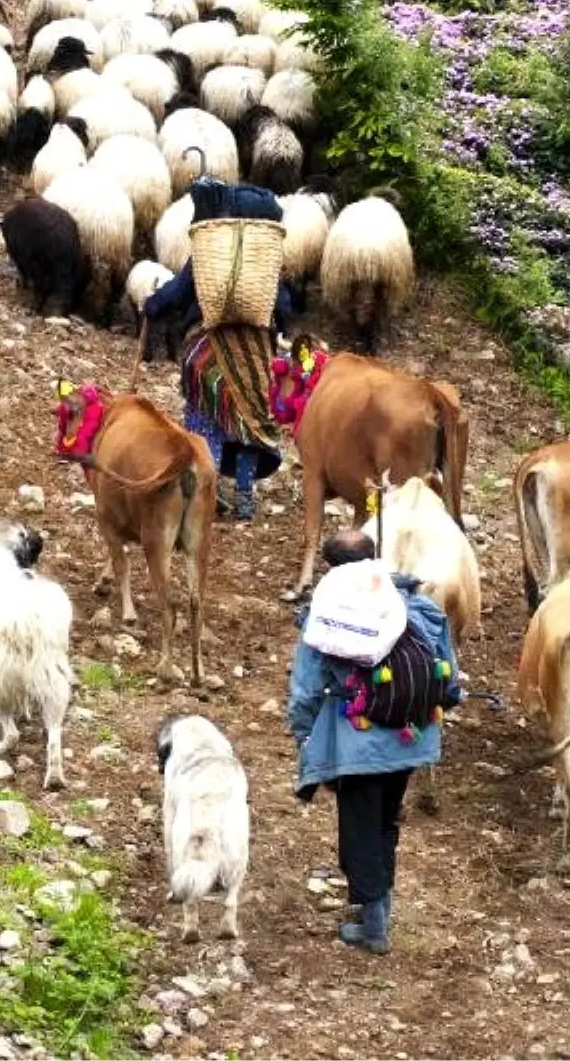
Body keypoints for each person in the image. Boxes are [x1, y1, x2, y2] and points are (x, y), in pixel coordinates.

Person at [287, 529, 461, 956]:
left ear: (330, 568)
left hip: (356, 740)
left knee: (360, 827)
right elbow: (450, 682)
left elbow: (307, 689)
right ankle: (380, 905)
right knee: (385, 820)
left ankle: (374, 925)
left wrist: (302, 734)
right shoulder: (417, 606)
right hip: (410, 736)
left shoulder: (328, 614)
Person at [142, 188, 293, 522]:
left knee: (205, 420)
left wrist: (151, 305)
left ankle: (201, 490)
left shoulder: (208, 253)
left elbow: (176, 294)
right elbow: (283, 307)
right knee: (247, 422)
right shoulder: (265, 260)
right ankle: (243, 495)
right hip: (252, 356)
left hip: (204, 352)